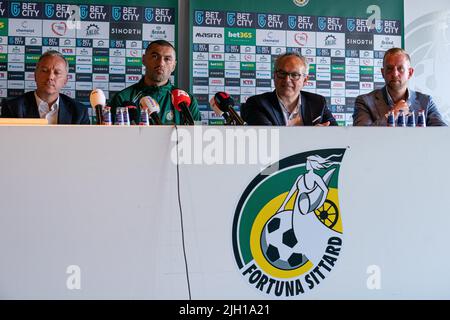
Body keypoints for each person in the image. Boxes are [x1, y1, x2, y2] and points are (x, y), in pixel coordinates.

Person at [109, 40, 201, 124]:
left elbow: (195, 137)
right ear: (144, 59)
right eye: (155, 56)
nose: (161, 63)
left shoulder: (187, 101)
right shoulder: (123, 98)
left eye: (167, 59)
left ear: (174, 66)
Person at [353, 47, 446, 126]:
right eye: (389, 69)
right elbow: (361, 137)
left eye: (400, 69)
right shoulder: (364, 102)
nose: (394, 73)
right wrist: (393, 114)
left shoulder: (426, 102)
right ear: (382, 73)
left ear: (410, 73)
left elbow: (442, 135)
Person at [240, 52, 337, 126]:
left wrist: (325, 134)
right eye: (282, 73)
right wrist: (312, 135)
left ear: (305, 80)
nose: (287, 80)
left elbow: (336, 132)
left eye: (294, 75)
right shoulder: (257, 103)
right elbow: (269, 137)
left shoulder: (317, 102)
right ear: (274, 76)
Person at [0, 50, 89, 124]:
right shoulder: (12, 107)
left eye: (57, 73)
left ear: (65, 80)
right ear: (35, 75)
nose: (50, 77)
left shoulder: (79, 112)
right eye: (45, 71)